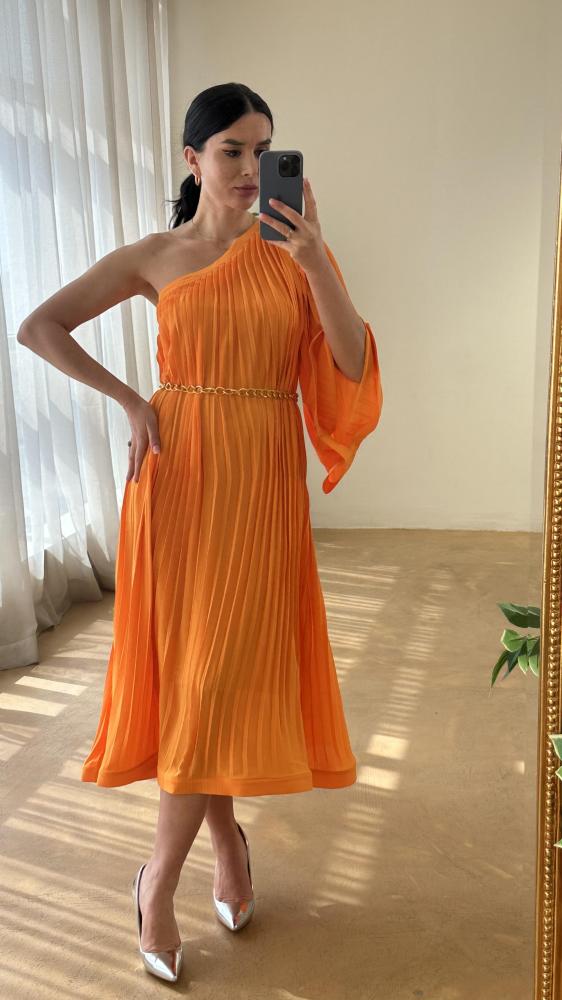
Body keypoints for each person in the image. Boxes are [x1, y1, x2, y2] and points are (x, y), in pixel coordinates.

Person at [17, 81, 383, 983]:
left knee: (222, 674)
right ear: (193, 159)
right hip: (178, 478)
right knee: (198, 678)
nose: (252, 168)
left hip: (260, 483)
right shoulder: (157, 256)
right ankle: (189, 866)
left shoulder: (291, 251)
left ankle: (176, 868)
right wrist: (130, 400)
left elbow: (349, 361)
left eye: (264, 149)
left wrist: (318, 262)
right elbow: (39, 326)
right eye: (232, 150)